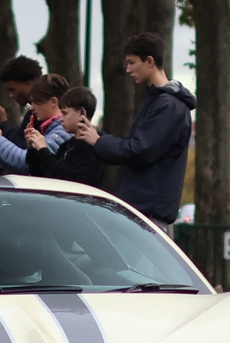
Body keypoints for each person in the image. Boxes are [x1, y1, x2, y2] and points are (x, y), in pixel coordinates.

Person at [71, 34, 193, 221]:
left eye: (132, 62)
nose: (127, 69)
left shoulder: (167, 105)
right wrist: (95, 135)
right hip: (144, 208)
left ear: (150, 61)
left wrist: (98, 140)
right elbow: (138, 146)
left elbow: (140, 150)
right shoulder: (159, 100)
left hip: (149, 211)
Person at [19, 87, 106, 190]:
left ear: (82, 113)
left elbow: (65, 180)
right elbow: (42, 177)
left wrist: (43, 149)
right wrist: (33, 149)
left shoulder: (91, 148)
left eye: (65, 113)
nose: (61, 119)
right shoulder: (66, 145)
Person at [0, 71, 69, 170]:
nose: (32, 108)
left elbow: (26, 163)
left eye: (37, 102)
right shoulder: (53, 129)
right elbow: (15, 166)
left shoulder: (62, 131)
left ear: (53, 102)